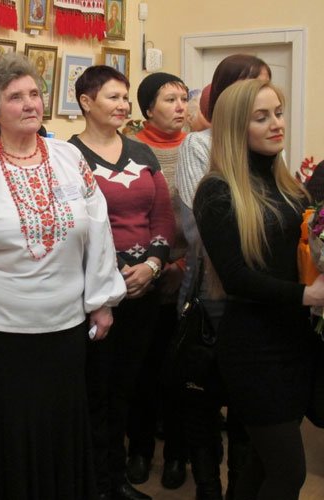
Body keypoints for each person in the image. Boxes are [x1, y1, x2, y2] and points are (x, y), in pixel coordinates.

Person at [0, 52, 126, 500]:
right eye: (15, 96)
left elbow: (98, 231)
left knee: (59, 435)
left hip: (64, 332)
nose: (31, 103)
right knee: (7, 440)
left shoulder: (70, 158)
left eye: (34, 93)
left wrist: (101, 300)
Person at [194, 78, 324, 500]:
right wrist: (307, 295)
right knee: (289, 473)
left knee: (261, 466)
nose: (277, 124)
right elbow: (236, 276)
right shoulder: (217, 190)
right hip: (254, 349)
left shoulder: (288, 186)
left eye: (279, 113)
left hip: (295, 340)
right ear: (236, 127)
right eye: (262, 117)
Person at [68, 65, 175, 500]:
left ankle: (115, 479)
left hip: (144, 291)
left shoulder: (142, 153)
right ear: (86, 102)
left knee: (127, 388)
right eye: (113, 97)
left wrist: (152, 265)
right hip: (95, 295)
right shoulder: (68, 157)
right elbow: (73, 227)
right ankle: (97, 482)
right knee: (97, 391)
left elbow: (162, 217)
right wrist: (111, 272)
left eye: (126, 97)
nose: (123, 105)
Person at [175, 54, 271, 500]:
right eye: (250, 87)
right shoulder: (199, 146)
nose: (258, 98)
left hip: (254, 293)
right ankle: (208, 486)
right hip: (212, 290)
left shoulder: (263, 144)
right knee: (202, 396)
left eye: (264, 87)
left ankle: (240, 487)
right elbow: (202, 229)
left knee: (249, 403)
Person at [123, 72, 189, 490]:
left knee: (179, 373)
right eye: (170, 99)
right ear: (148, 108)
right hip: (142, 276)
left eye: (183, 98)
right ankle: (140, 449)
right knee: (142, 370)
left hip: (188, 273)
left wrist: (181, 265)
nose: (181, 106)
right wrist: (151, 265)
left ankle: (178, 454)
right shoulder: (131, 149)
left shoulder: (197, 147)